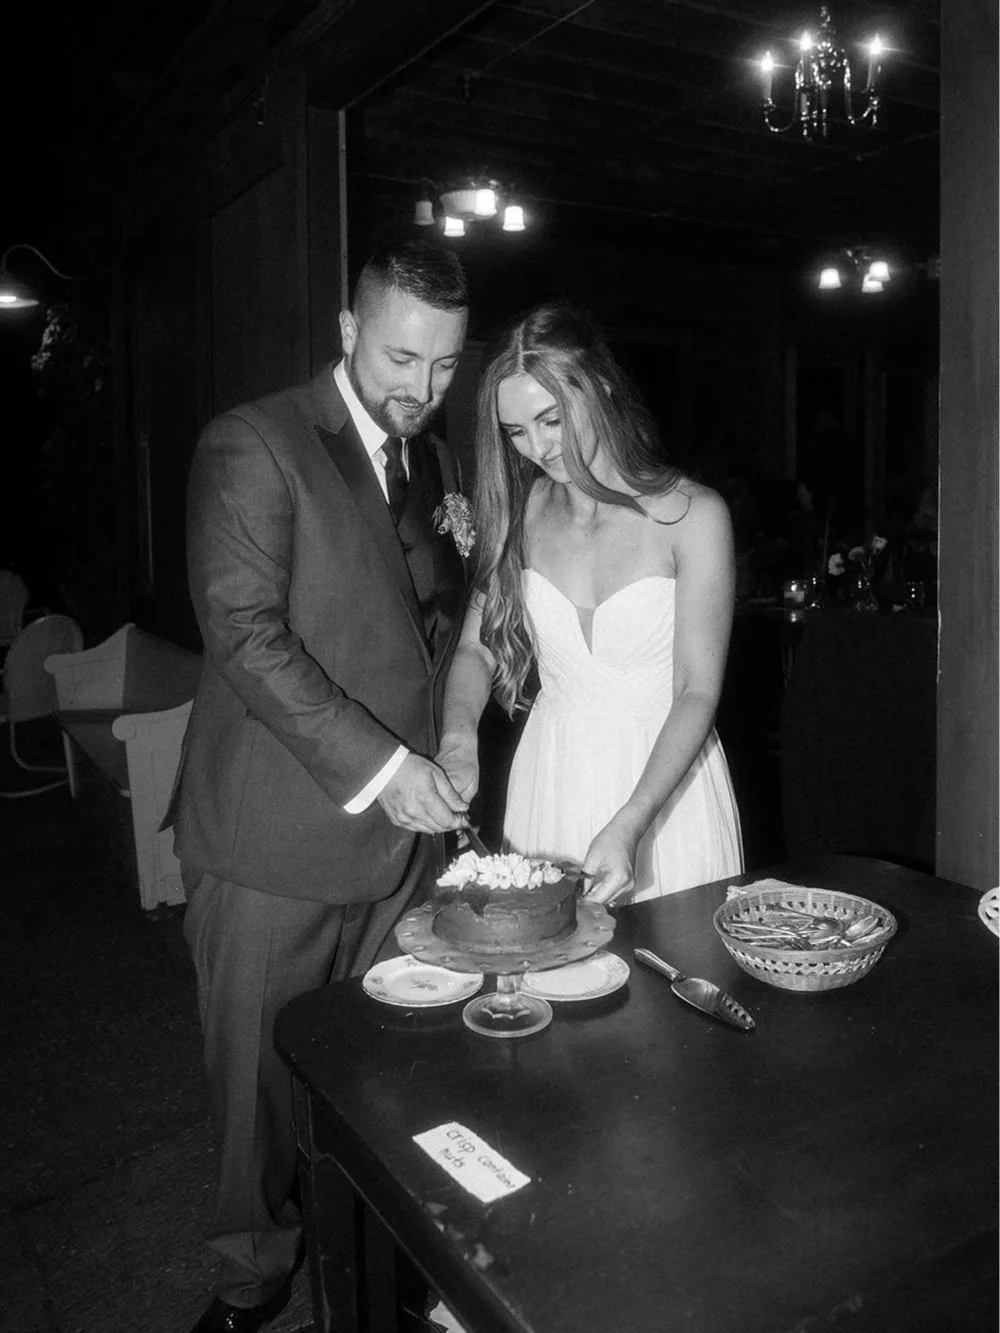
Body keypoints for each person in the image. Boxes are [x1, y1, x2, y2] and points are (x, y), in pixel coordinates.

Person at [171, 240, 472, 1333]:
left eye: (445, 365)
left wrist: (454, 743)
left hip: (405, 851)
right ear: (348, 331)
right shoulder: (253, 441)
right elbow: (246, 635)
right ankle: (250, 1279)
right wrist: (388, 770)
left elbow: (434, 632)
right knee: (254, 1091)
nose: (422, 387)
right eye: (401, 357)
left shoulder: (435, 464)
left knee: (387, 1074)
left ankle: (378, 1255)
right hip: (273, 843)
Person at [437, 301, 743, 905]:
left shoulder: (694, 516)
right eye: (515, 431)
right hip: (552, 775)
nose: (536, 447)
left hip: (664, 791)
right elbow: (476, 648)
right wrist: (458, 738)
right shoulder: (520, 515)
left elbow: (696, 691)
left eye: (550, 419)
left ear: (599, 385)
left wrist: (633, 821)